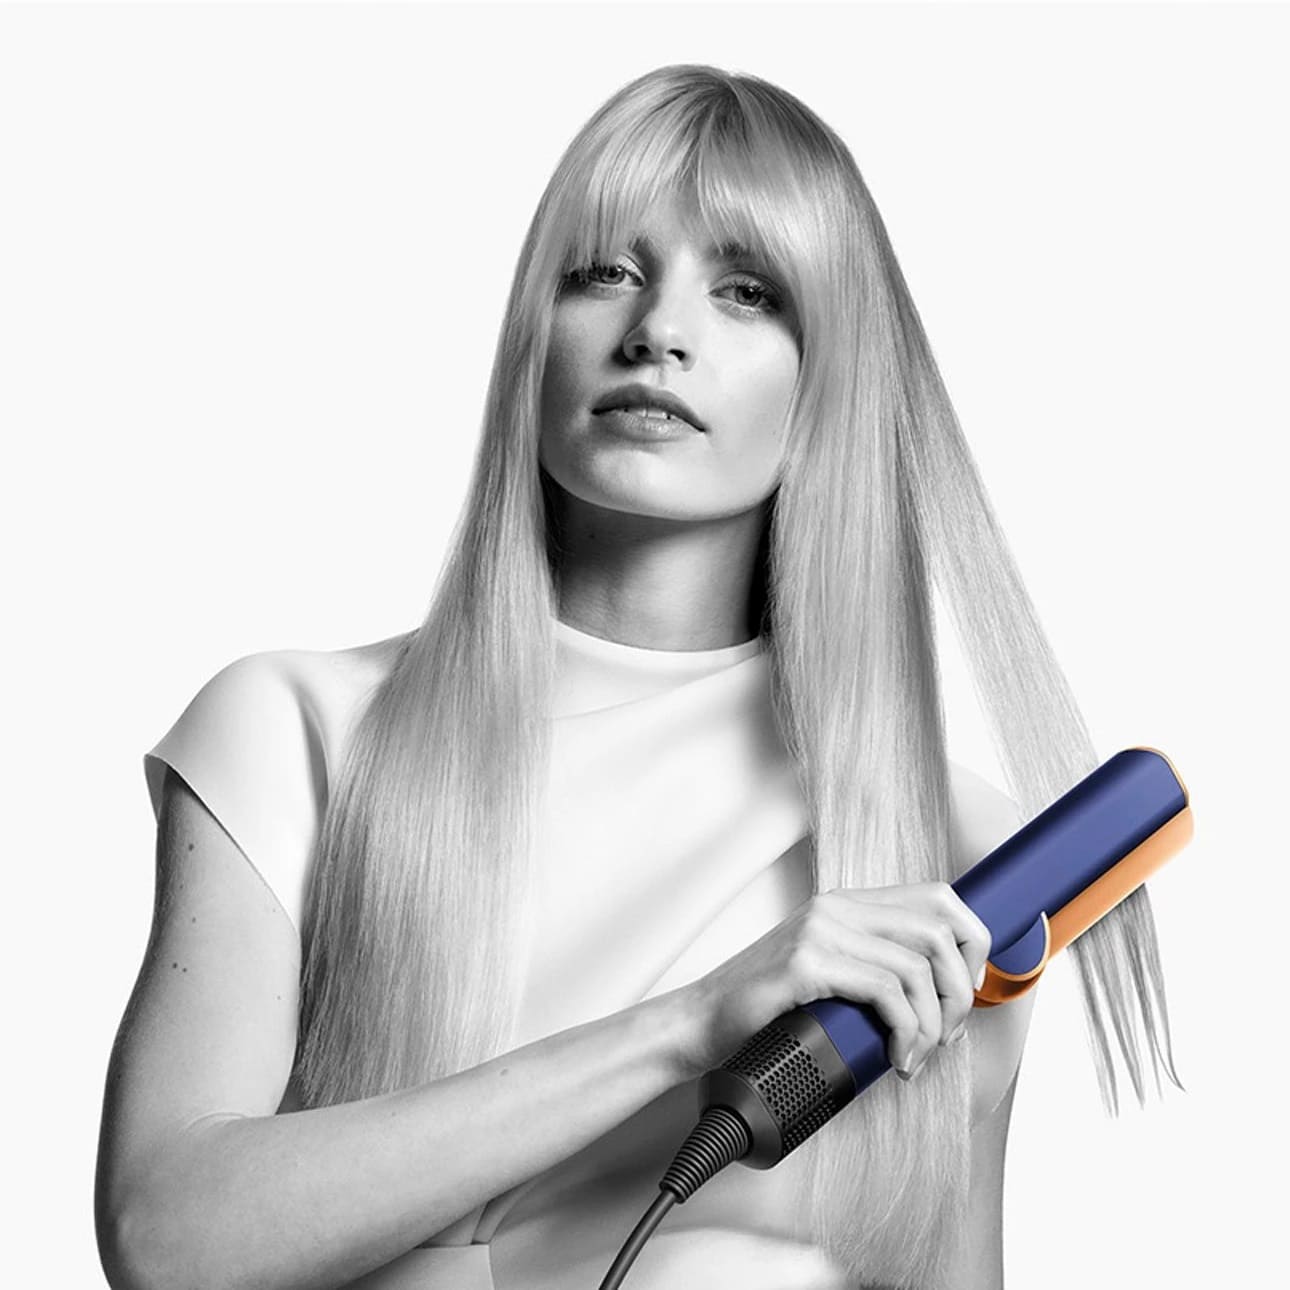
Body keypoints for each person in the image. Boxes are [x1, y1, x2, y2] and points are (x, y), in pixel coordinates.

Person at [95, 64, 1180, 1290]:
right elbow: (167, 1239)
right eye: (605, 271)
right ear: (534, 339)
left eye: (747, 292)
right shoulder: (300, 736)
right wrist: (689, 1027)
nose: (659, 330)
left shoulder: (950, 860)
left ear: (829, 378)